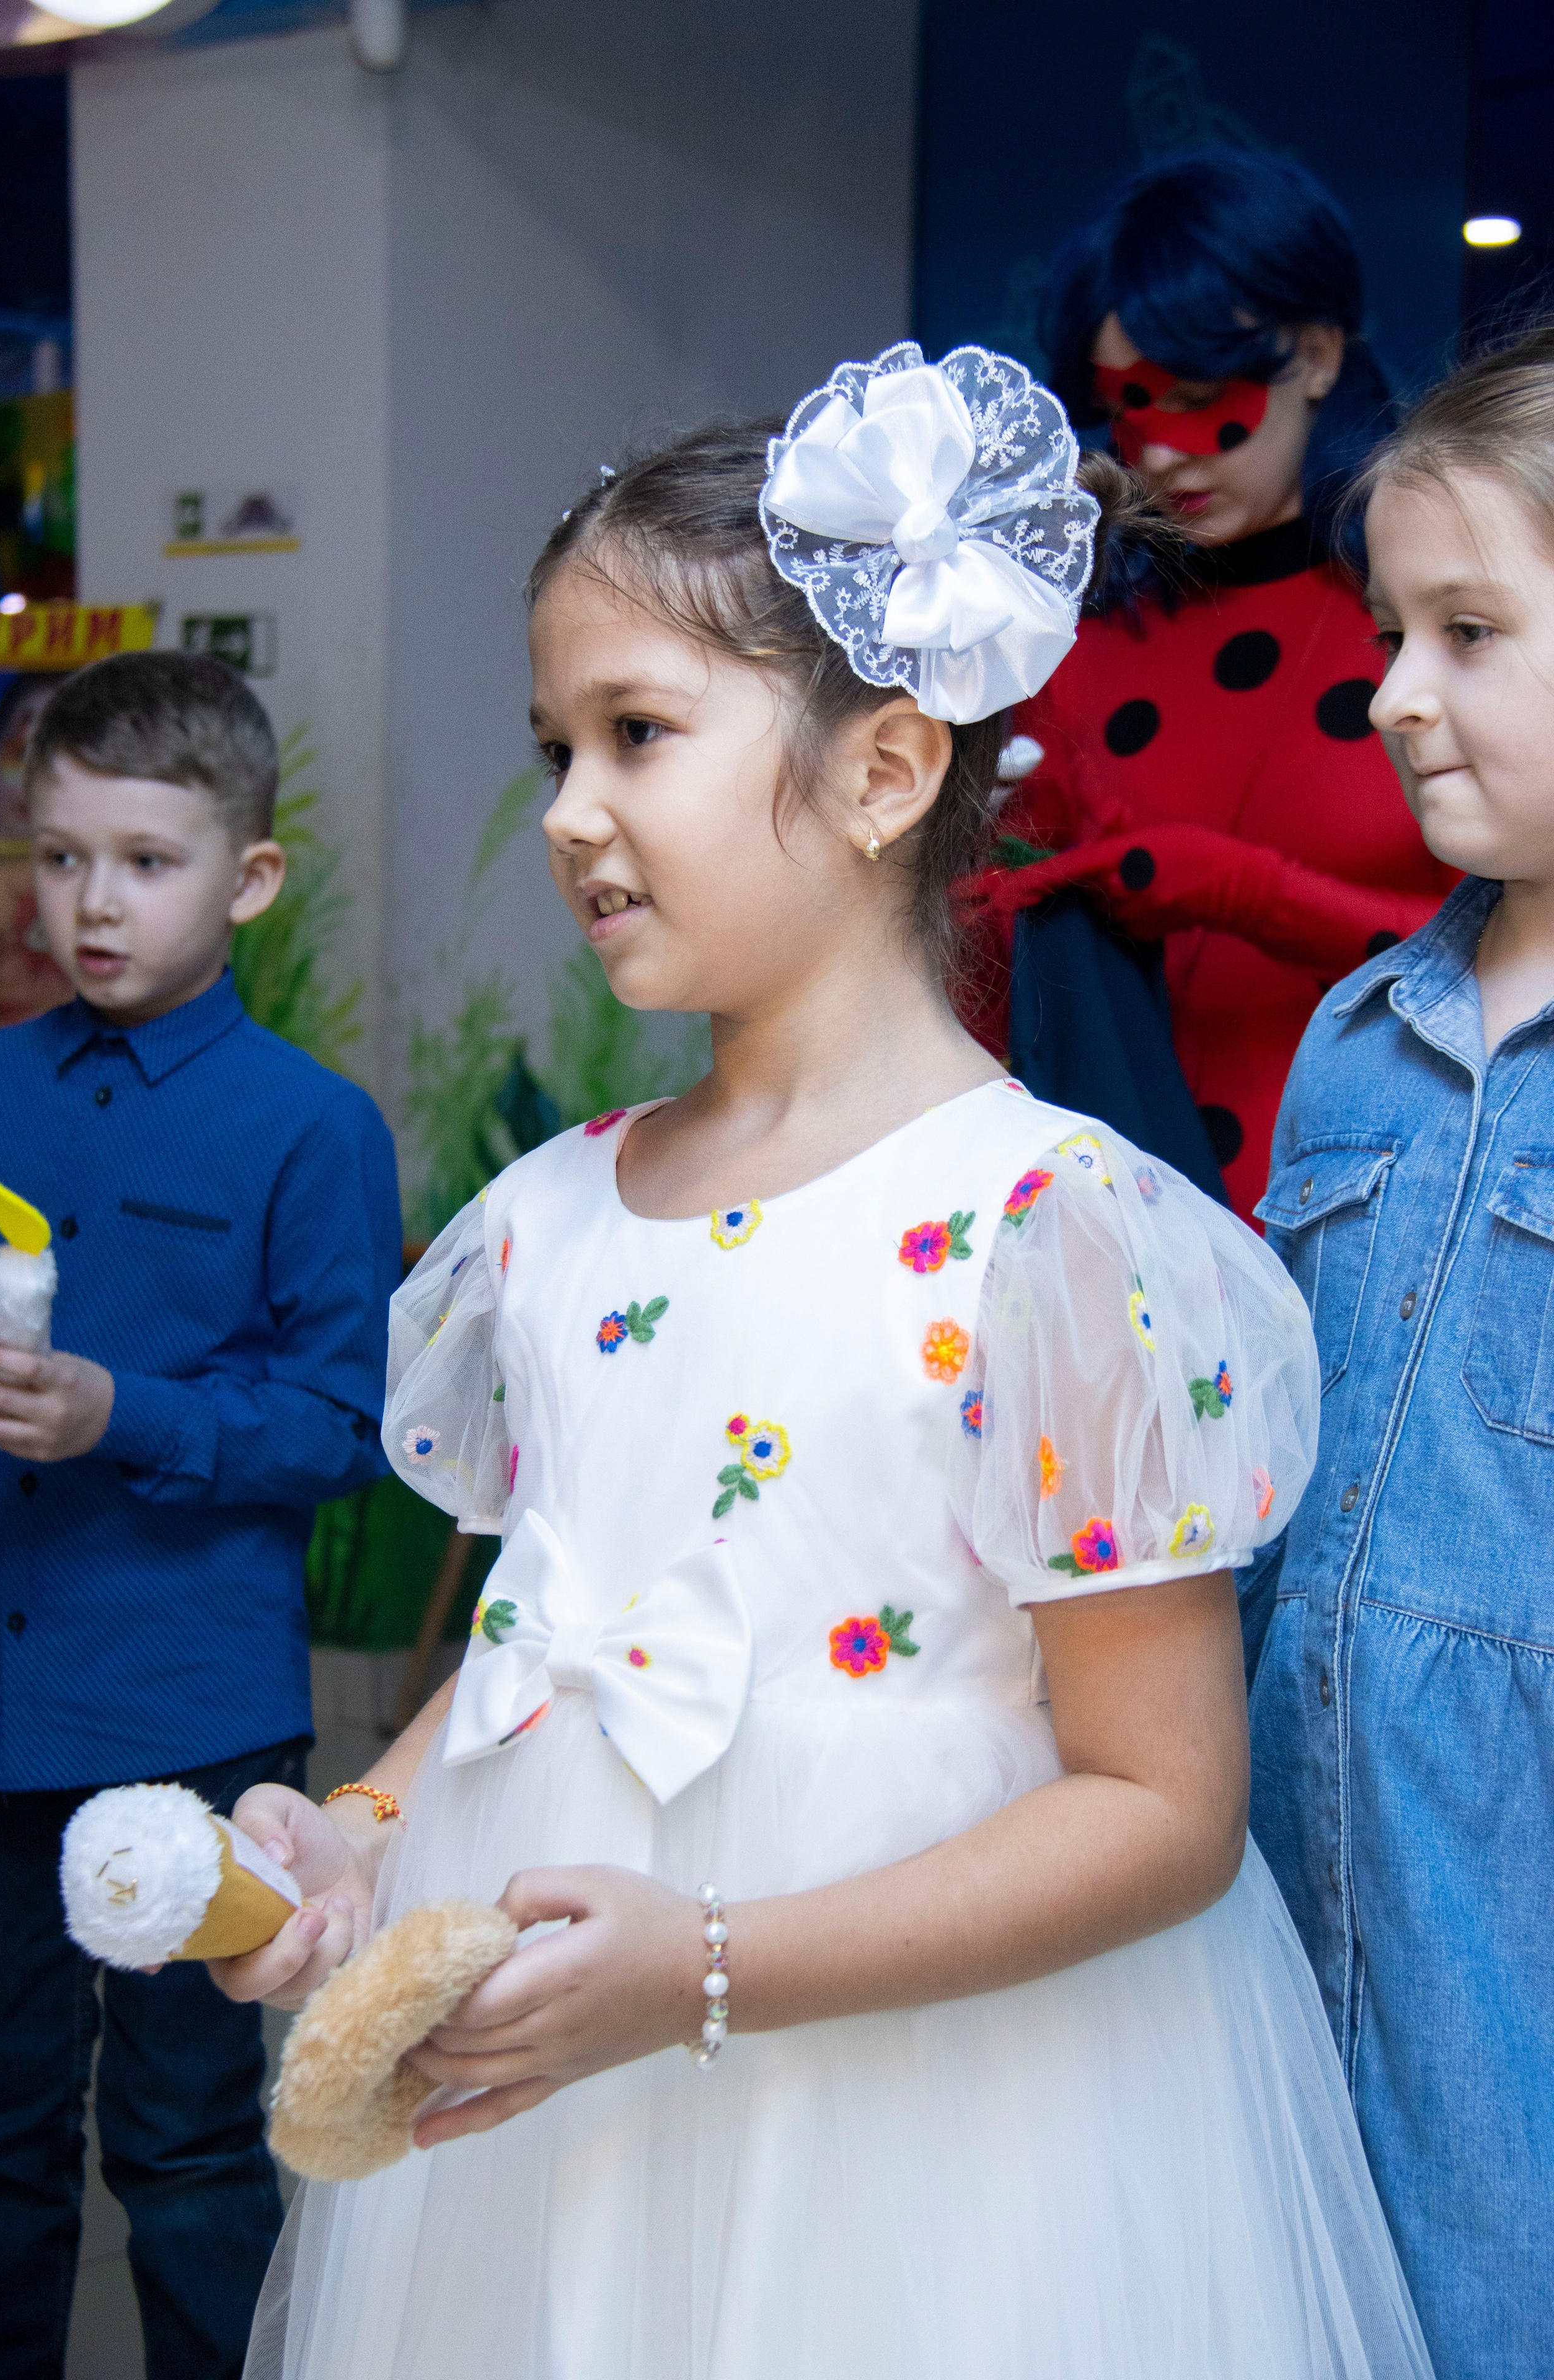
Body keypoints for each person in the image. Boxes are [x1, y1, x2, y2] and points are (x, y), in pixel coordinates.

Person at [215, 346, 1429, 2380]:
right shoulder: (550, 1219)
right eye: (555, 747)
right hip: (572, 2124)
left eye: (638, 734)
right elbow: (557, 1632)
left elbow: (1164, 1802)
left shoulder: (1050, 1233)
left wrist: (705, 1969)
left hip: (939, 2122)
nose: (573, 815)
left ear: (882, 774)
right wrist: (369, 1815)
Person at [0, 651, 402, 2380]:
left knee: (186, 2147)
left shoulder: (310, 1129)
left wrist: (116, 1414)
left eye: (145, 862)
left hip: (187, 1726)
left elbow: (346, 1425)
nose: (92, 903)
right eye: (59, 857)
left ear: (250, 875)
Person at [1247, 325, 1554, 2380]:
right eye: (1388, 631)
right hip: (1282, 1895)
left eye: (1469, 629)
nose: (1393, 691)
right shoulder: (1353, 1038)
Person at [962, 149, 1455, 1221]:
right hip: (1126, 1252)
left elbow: (1525, 955)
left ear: (1317, 353)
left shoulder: (1432, 612)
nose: (1164, 453)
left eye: (1197, 396)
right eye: (1125, 408)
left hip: (1394, 1220)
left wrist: (1239, 891)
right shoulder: (1062, 642)